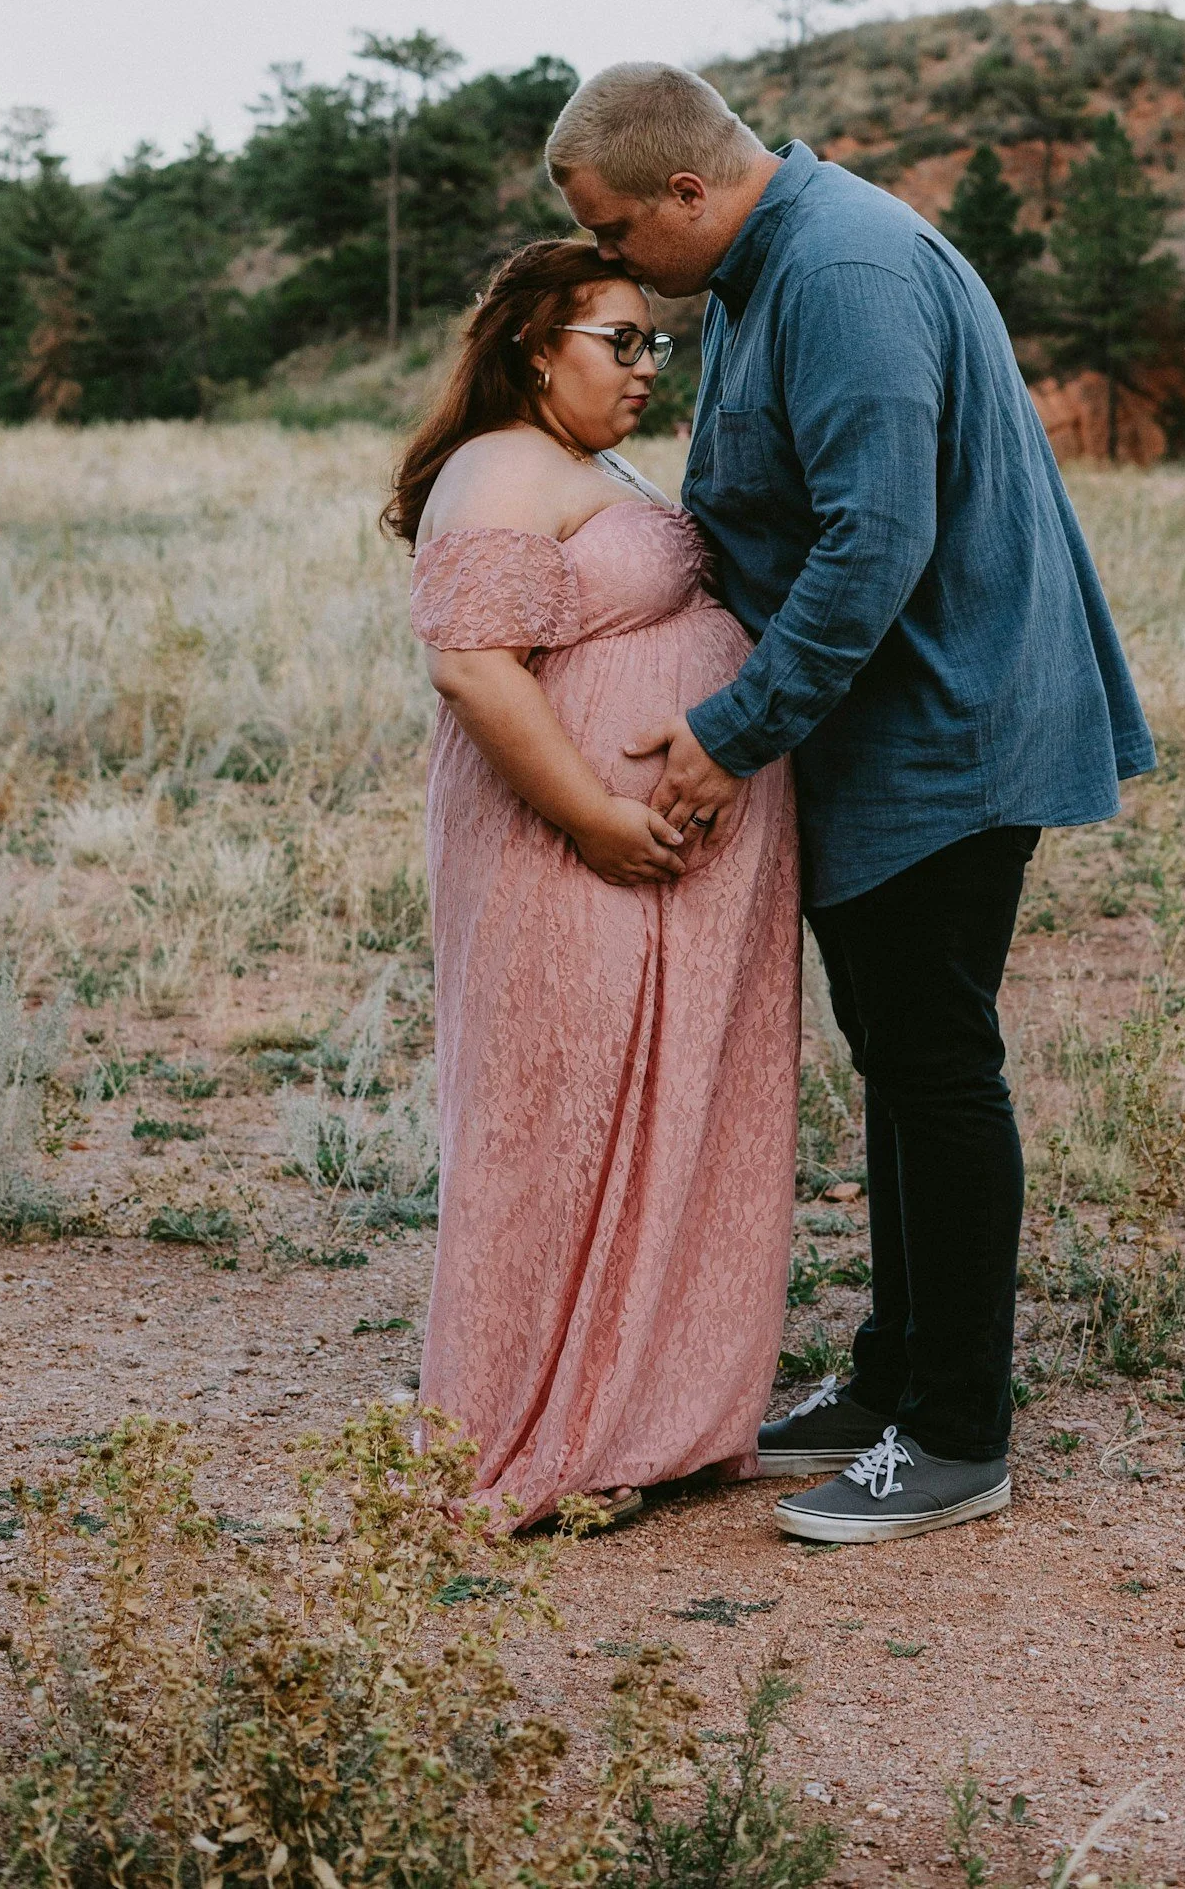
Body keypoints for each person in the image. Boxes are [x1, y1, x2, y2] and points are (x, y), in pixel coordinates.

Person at [545, 63, 1153, 1545]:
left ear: (692, 189)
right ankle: (893, 1380)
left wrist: (731, 732)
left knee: (936, 1065)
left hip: (945, 735)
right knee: (894, 1053)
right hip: (888, 738)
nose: (616, 265)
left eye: (623, 231)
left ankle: (957, 1437)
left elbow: (877, 540)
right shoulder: (762, 269)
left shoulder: (846, 268)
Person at [386, 239, 801, 1533]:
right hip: (564, 850)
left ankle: (642, 1415)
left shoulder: (578, 465)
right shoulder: (502, 464)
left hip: (647, 856)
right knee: (557, 1117)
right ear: (531, 345)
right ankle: (533, 1428)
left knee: (659, 1112)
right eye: (615, 342)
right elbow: (473, 669)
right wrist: (598, 822)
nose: (643, 367)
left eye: (652, 343)